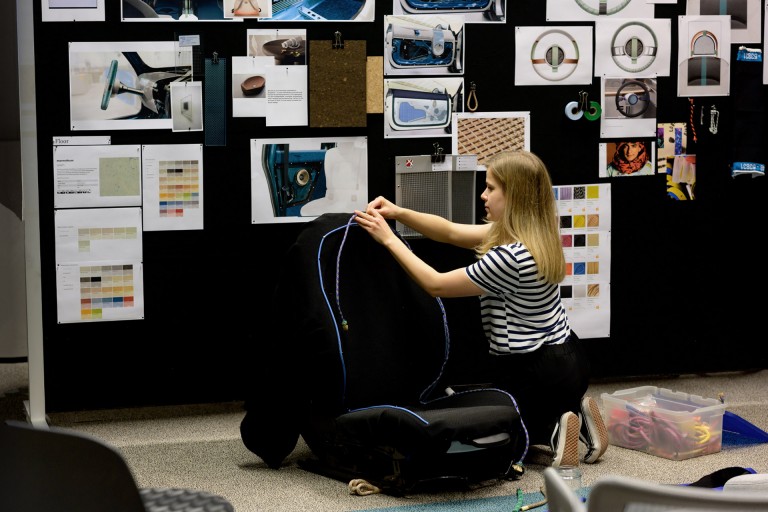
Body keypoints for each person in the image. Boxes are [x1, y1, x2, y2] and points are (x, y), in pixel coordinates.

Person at [354, 150, 608, 468]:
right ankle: (572, 409)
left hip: (534, 369)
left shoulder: (511, 257)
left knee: (500, 437)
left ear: (513, 195)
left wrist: (388, 239)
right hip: (568, 356)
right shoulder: (536, 234)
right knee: (506, 415)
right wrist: (398, 212)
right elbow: (447, 231)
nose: (482, 195)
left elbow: (436, 284)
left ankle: (555, 429)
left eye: (490, 188)